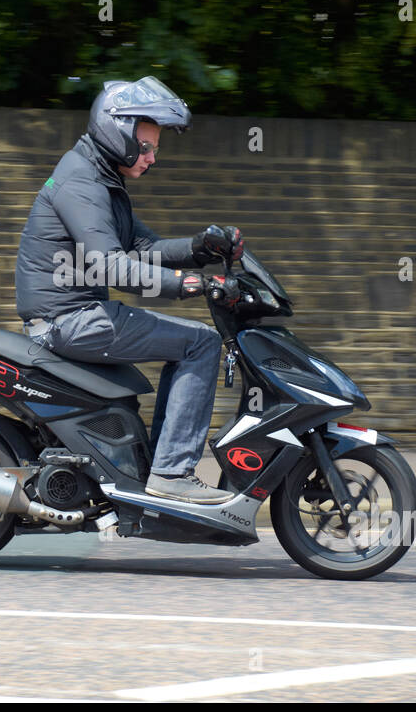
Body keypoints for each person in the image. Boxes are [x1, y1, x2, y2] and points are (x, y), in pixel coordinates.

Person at [14, 76, 244, 503]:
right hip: (70, 319)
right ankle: (171, 472)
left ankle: (151, 471)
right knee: (201, 343)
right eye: (148, 146)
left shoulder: (101, 179)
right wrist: (188, 284)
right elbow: (112, 265)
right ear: (117, 131)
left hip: (75, 314)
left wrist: (199, 250)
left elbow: (143, 249)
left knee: (178, 353)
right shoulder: (82, 183)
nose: (153, 157)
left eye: (156, 148)